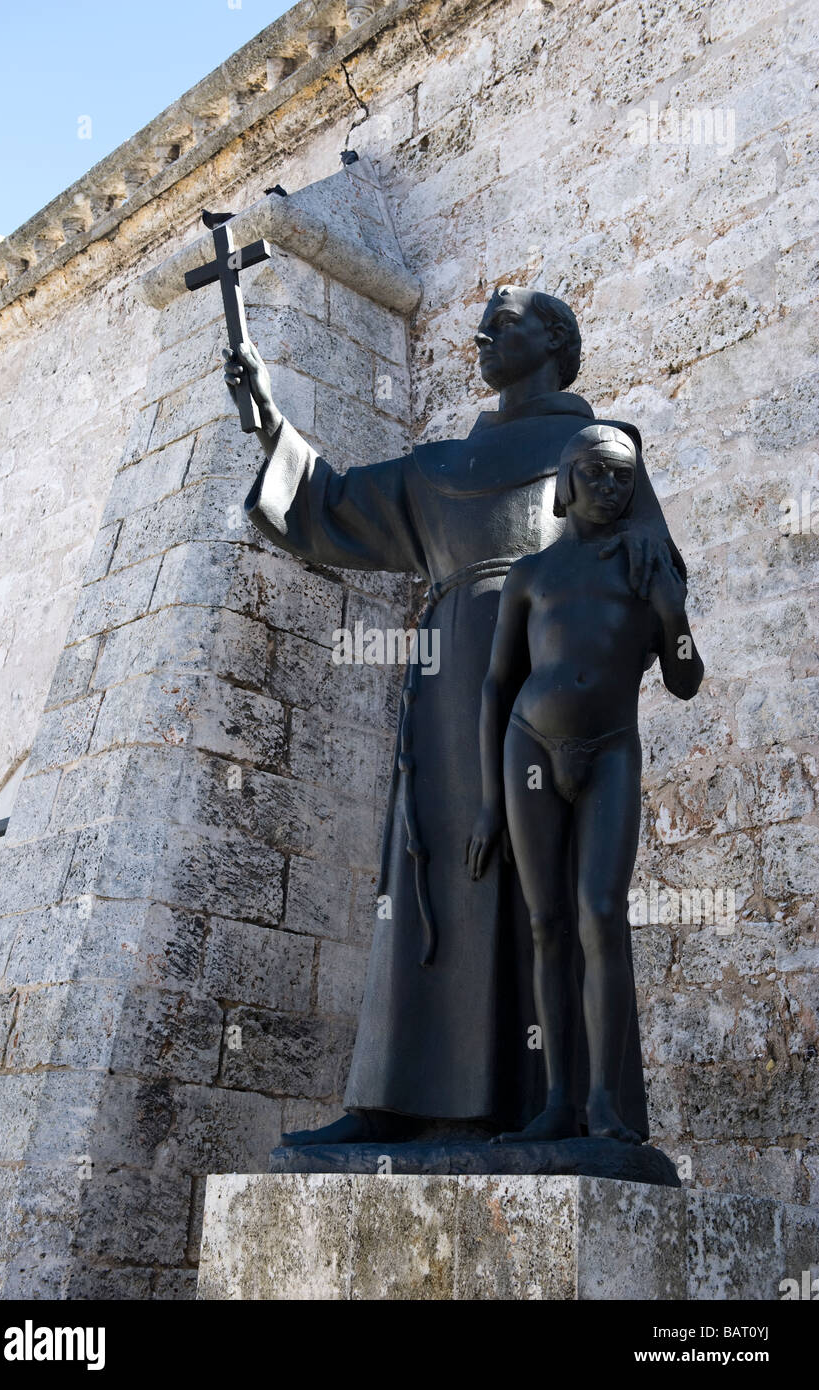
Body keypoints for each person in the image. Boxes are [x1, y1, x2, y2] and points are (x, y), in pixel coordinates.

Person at [224, 287, 684, 1146]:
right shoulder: (436, 466)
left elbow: (655, 581)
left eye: (504, 321)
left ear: (555, 340)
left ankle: (564, 1108)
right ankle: (395, 1101)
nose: (481, 333)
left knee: (557, 906)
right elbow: (327, 503)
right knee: (430, 876)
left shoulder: (600, 453)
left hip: (549, 692)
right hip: (445, 697)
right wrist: (266, 420)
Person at [466, 425, 703, 1144]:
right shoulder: (531, 574)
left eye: (621, 478)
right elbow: (495, 685)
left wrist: (671, 611)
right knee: (546, 925)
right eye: (595, 474)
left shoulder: (647, 562)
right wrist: (486, 804)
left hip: (608, 751)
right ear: (566, 481)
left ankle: (605, 1101)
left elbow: (685, 678)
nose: (608, 488)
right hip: (527, 746)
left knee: (600, 913)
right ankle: (556, 1099)